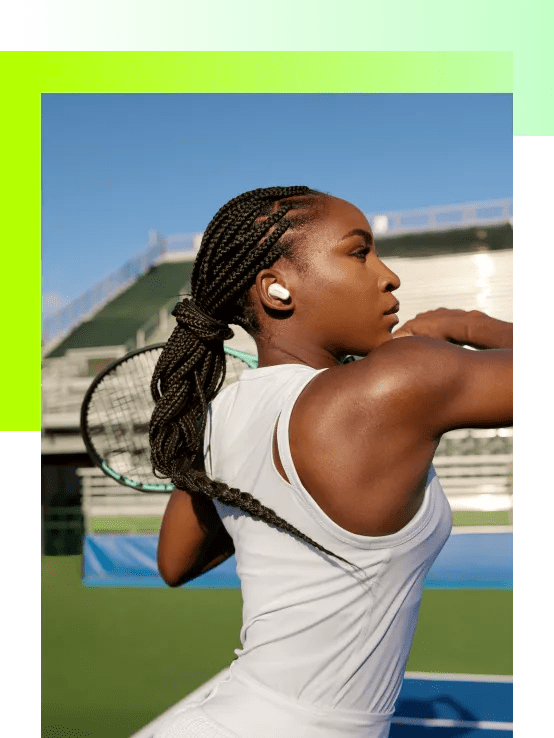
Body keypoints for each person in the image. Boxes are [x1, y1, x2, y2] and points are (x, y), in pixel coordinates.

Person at [146, 186, 512, 738]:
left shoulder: (218, 422)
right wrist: (463, 325)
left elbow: (176, 564)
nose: (389, 277)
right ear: (276, 288)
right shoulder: (401, 379)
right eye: (359, 252)